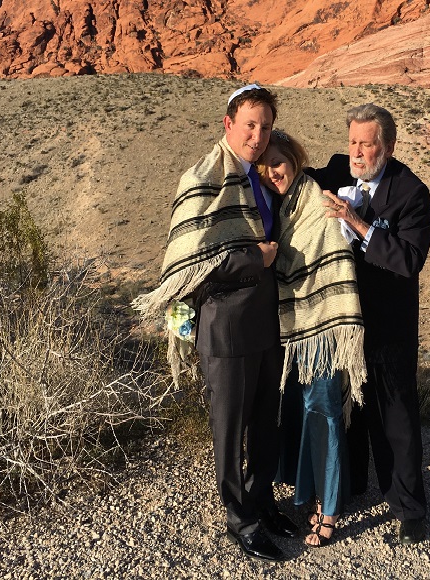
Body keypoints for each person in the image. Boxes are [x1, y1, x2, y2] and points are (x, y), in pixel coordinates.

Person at [133, 84, 298, 563]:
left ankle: (262, 502)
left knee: (266, 421)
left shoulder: (261, 177)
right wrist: (255, 257)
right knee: (229, 427)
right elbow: (193, 261)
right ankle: (239, 518)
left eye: (265, 126)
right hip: (224, 328)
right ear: (228, 124)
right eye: (250, 124)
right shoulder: (203, 177)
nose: (258, 134)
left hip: (267, 324)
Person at [307, 103, 430, 545]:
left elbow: (409, 260)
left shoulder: (411, 192)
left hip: (390, 324)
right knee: (352, 407)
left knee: (394, 412)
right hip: (345, 321)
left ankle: (410, 509)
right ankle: (356, 485)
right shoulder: (340, 169)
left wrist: (357, 223)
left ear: (389, 146)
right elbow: (299, 177)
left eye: (367, 143)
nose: (358, 152)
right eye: (353, 142)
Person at [256, 129, 366, 547]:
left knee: (324, 410)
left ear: (295, 158)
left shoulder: (319, 203)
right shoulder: (283, 208)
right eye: (265, 169)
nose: (272, 173)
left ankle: (330, 506)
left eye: (278, 163)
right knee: (304, 411)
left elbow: (336, 265)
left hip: (326, 330)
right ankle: (311, 492)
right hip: (296, 332)